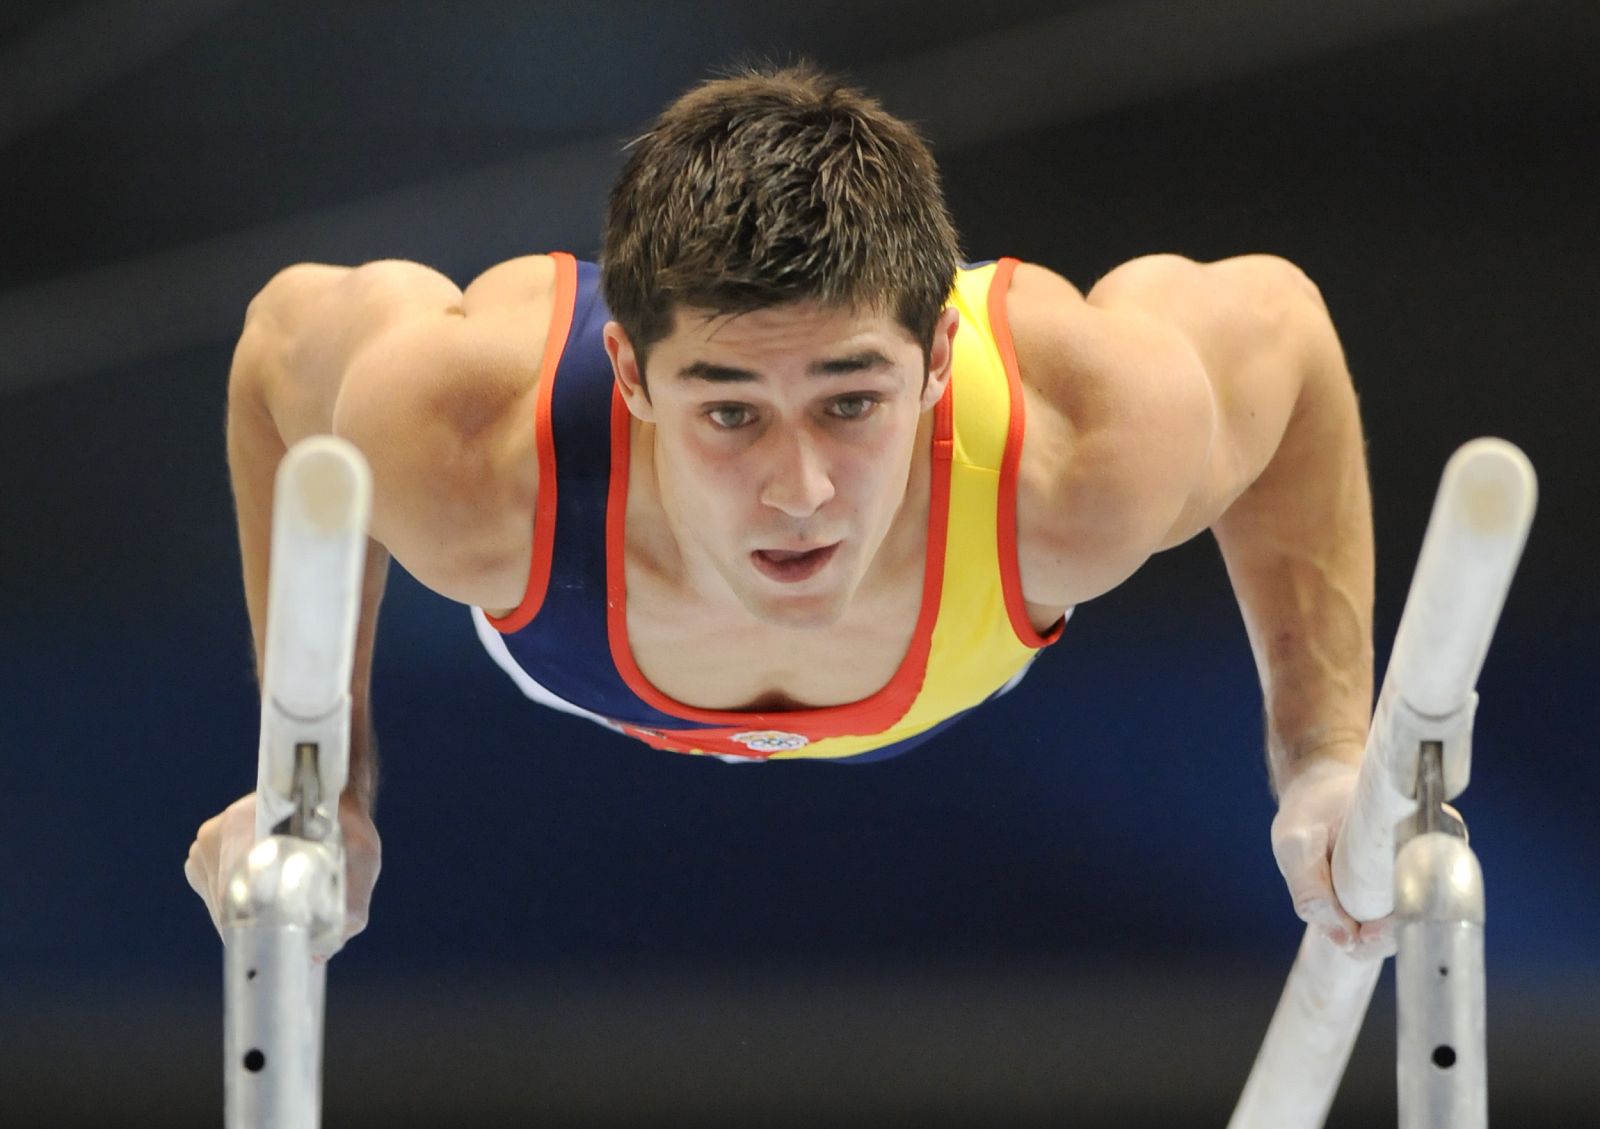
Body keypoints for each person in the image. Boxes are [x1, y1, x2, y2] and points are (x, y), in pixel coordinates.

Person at [185, 63, 1391, 961]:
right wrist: (318, 777)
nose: (800, 491)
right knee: (388, 351)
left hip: (945, 580)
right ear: (631, 372)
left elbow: (1280, 326)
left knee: (1150, 376)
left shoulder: (1080, 452)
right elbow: (280, 343)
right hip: (580, 564)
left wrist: (1324, 758)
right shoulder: (467, 450)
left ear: (936, 361)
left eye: (849, 402)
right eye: (730, 411)